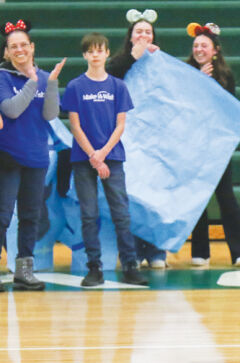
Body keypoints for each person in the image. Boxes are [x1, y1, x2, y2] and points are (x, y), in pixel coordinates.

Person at [61, 32, 147, 287]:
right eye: (91, 50)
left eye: (100, 50)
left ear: (107, 53)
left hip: (113, 157)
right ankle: (94, 267)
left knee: (121, 213)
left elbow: (121, 125)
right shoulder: (76, 86)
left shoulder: (118, 86)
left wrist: (103, 154)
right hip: (83, 159)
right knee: (88, 214)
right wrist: (93, 156)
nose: (96, 54)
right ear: (85, 55)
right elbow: (74, 126)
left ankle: (130, 265)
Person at [0, 19, 65, 291]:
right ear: (6, 52)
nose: (19, 50)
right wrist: (32, 81)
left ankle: (24, 270)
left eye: (23, 45)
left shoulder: (45, 76)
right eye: (13, 46)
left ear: (32, 47)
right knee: (2, 215)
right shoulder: (2, 77)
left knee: (30, 215)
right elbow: (11, 109)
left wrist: (50, 84)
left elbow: (50, 114)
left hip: (37, 157)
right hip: (8, 157)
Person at [186, 22, 240, 267]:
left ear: (215, 50)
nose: (199, 49)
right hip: (192, 145)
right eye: (195, 45)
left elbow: (225, 111)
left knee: (225, 196)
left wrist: (206, 85)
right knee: (198, 198)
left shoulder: (225, 76)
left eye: (203, 45)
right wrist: (195, 82)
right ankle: (200, 253)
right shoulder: (184, 74)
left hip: (217, 147)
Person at [107, 9, 167, 269]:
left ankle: (156, 252)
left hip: (156, 139)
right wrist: (134, 57)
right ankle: (133, 251)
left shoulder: (162, 62)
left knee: (155, 196)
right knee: (130, 196)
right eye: (138, 31)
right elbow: (110, 78)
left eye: (147, 31)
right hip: (127, 137)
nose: (143, 35)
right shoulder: (119, 61)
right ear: (130, 36)